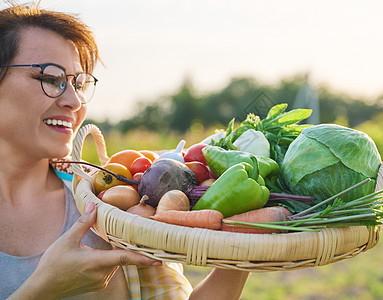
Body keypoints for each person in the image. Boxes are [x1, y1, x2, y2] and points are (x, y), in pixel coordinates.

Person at [0, 2, 249, 299]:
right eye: (49, 78)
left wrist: (243, 245)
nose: (75, 101)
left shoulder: (110, 199)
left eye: (78, 83)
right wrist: (44, 288)